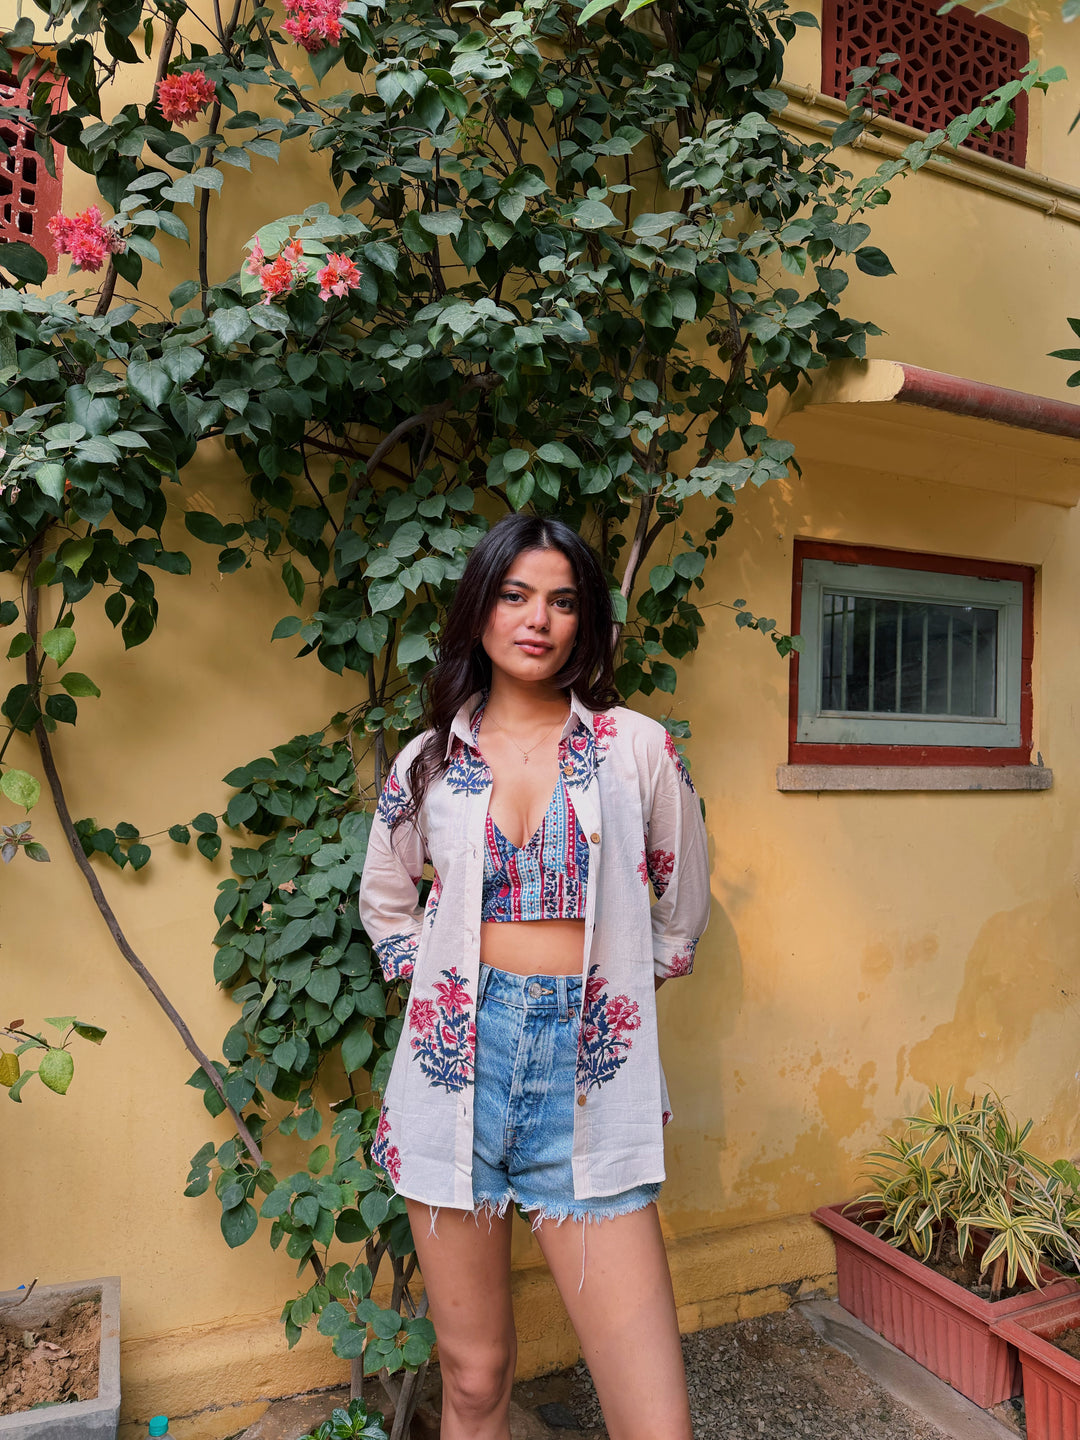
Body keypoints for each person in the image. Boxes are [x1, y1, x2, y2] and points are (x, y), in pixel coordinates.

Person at [358, 513, 711, 1440]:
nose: (536, 619)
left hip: (588, 1082)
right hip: (452, 1074)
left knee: (653, 1419)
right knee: (475, 1383)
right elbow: (386, 900)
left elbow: (680, 914)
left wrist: (602, 1010)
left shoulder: (636, 748)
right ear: (480, 609)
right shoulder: (429, 759)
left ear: (584, 623)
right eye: (515, 595)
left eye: (561, 601)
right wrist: (435, 1002)